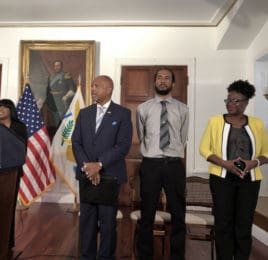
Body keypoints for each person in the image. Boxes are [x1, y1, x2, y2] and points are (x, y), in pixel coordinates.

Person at [199, 80, 268, 260]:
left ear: (246, 102)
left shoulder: (258, 124)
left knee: (244, 225)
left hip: (250, 180)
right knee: (223, 224)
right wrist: (225, 164)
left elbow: (267, 153)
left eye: (236, 100)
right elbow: (204, 149)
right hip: (222, 179)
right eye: (228, 99)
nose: (230, 103)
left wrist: (253, 163)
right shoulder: (215, 121)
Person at [72, 75, 132, 260]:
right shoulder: (85, 113)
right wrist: (88, 167)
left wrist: (98, 165)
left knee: (107, 224)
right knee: (87, 222)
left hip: (110, 177)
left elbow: (123, 145)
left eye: (96, 86)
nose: (92, 89)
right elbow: (76, 142)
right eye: (92, 86)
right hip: (86, 175)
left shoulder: (122, 113)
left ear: (109, 89)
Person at [136, 67, 189, 260]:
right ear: (155, 82)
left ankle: (177, 257)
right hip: (151, 164)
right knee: (147, 213)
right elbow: (142, 136)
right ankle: (144, 256)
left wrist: (172, 152)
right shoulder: (143, 108)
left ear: (173, 83)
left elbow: (183, 138)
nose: (163, 81)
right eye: (159, 78)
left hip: (174, 164)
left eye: (167, 78)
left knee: (178, 214)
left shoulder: (183, 109)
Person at [0, 99, 28, 251]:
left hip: (12, 172)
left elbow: (22, 149)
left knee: (8, 206)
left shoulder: (19, 127)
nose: (0, 110)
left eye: (4, 107)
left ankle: (7, 242)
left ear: (10, 111)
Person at [43, 60, 77, 137]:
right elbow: (47, 91)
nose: (56, 67)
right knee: (52, 122)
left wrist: (66, 96)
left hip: (62, 102)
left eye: (58, 65)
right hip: (52, 102)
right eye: (55, 66)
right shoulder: (51, 77)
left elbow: (72, 90)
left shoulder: (66, 76)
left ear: (61, 66)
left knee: (62, 122)